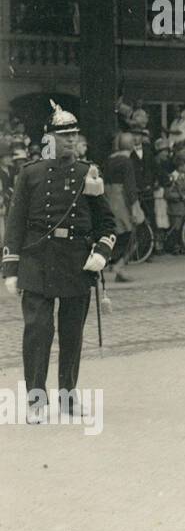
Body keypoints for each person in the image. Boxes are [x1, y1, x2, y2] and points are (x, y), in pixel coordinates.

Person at [2, 103, 115, 423]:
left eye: (74, 136)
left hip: (75, 264)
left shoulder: (88, 174)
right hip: (36, 262)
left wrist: (101, 254)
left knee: (71, 333)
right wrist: (10, 267)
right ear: (48, 138)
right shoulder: (30, 174)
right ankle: (36, 400)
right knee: (37, 332)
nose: (70, 141)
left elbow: (108, 224)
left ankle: (68, 395)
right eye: (63, 136)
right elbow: (15, 223)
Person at [103, 132, 140, 283]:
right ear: (132, 146)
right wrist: (135, 208)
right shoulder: (126, 162)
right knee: (134, 234)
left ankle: (115, 265)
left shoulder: (109, 160)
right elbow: (130, 187)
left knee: (116, 234)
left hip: (108, 198)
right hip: (121, 200)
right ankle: (119, 265)